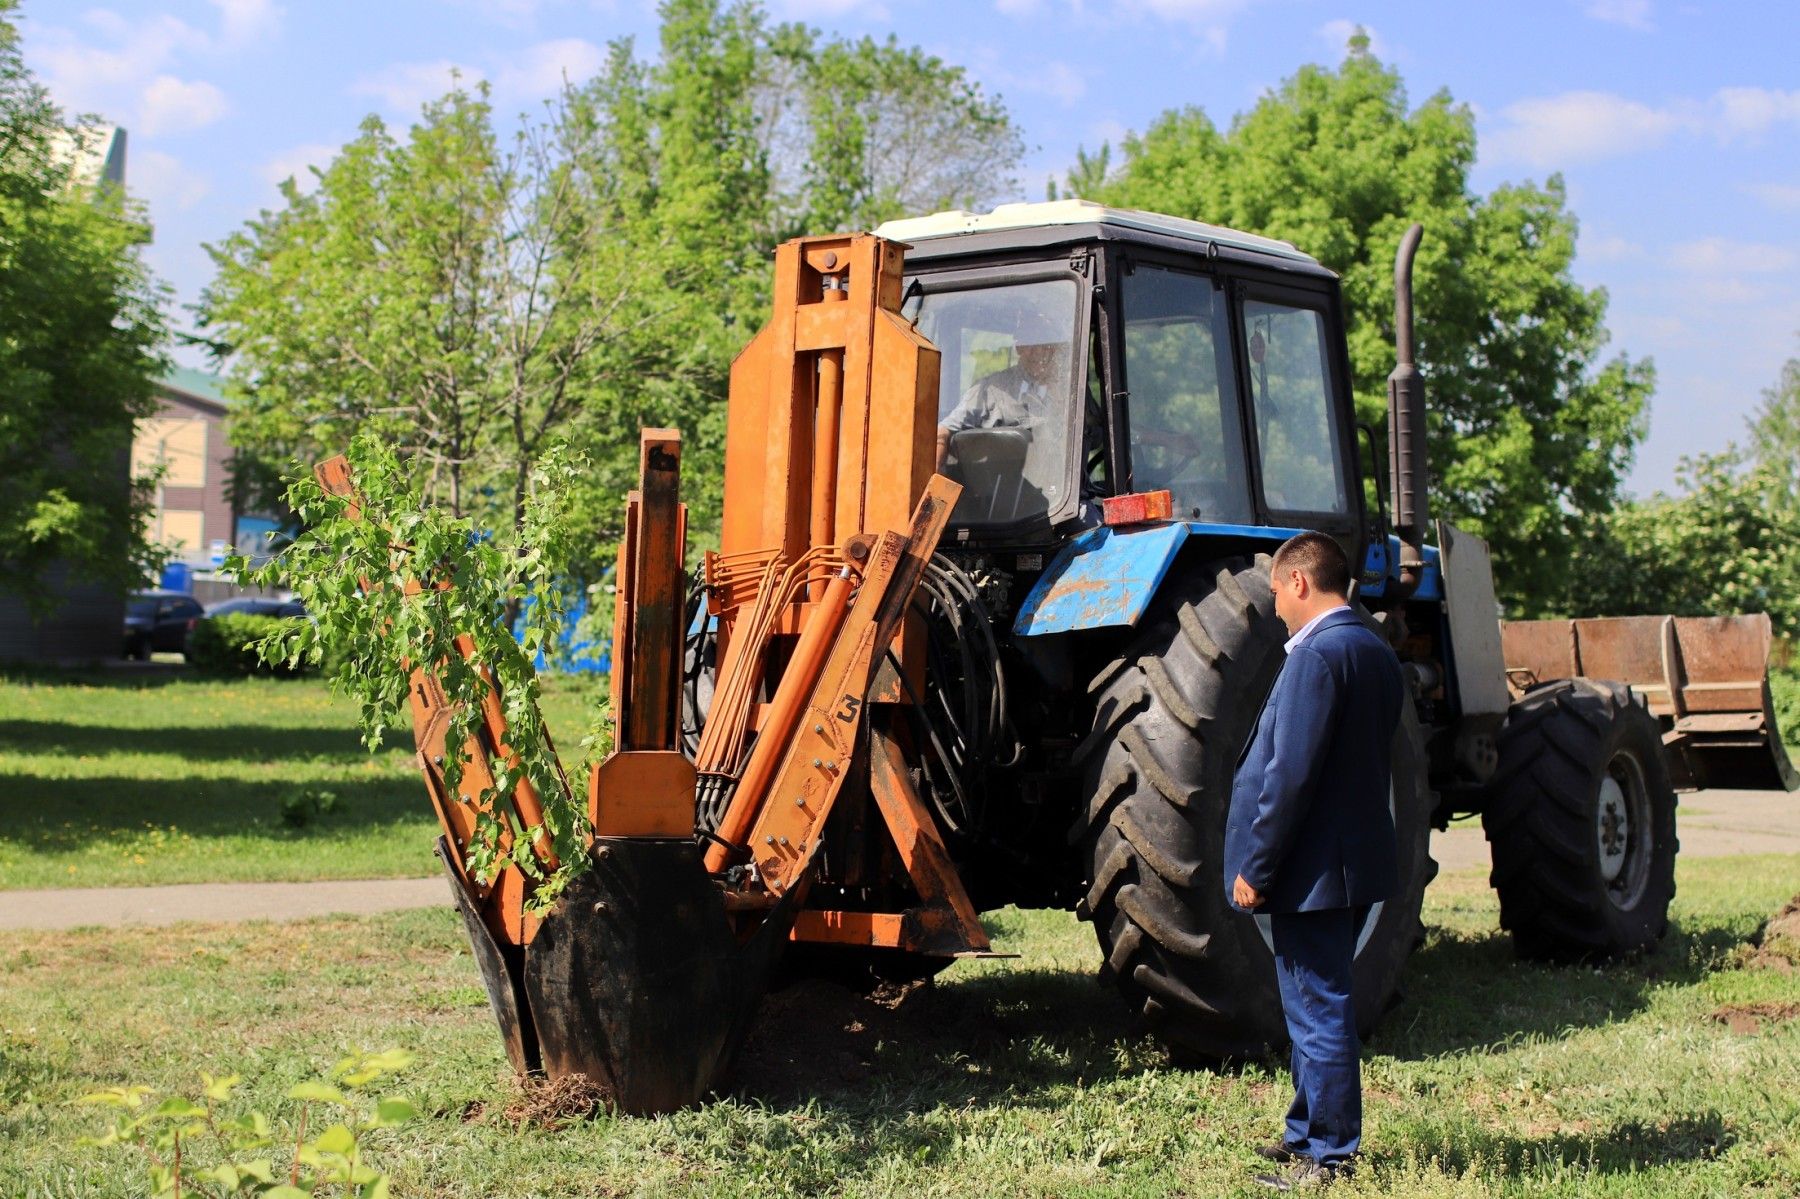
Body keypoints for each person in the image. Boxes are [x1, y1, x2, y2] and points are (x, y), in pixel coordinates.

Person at [1224, 531, 1403, 1191]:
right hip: (1351, 861)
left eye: (1276, 591)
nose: (1275, 608)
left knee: (1317, 1004)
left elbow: (1290, 775)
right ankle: (1307, 1128)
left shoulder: (1317, 658)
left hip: (1311, 869)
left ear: (1300, 581)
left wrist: (1257, 864)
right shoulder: (1374, 650)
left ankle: (1328, 1155)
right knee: (1313, 997)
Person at [935, 316, 1068, 470]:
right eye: (1031, 344)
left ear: (1055, 348)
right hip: (1014, 489)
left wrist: (1060, 399)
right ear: (1019, 347)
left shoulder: (1071, 388)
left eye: (1045, 345)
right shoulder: (992, 390)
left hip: (1074, 486)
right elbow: (944, 431)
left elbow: (1095, 436)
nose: (1037, 352)